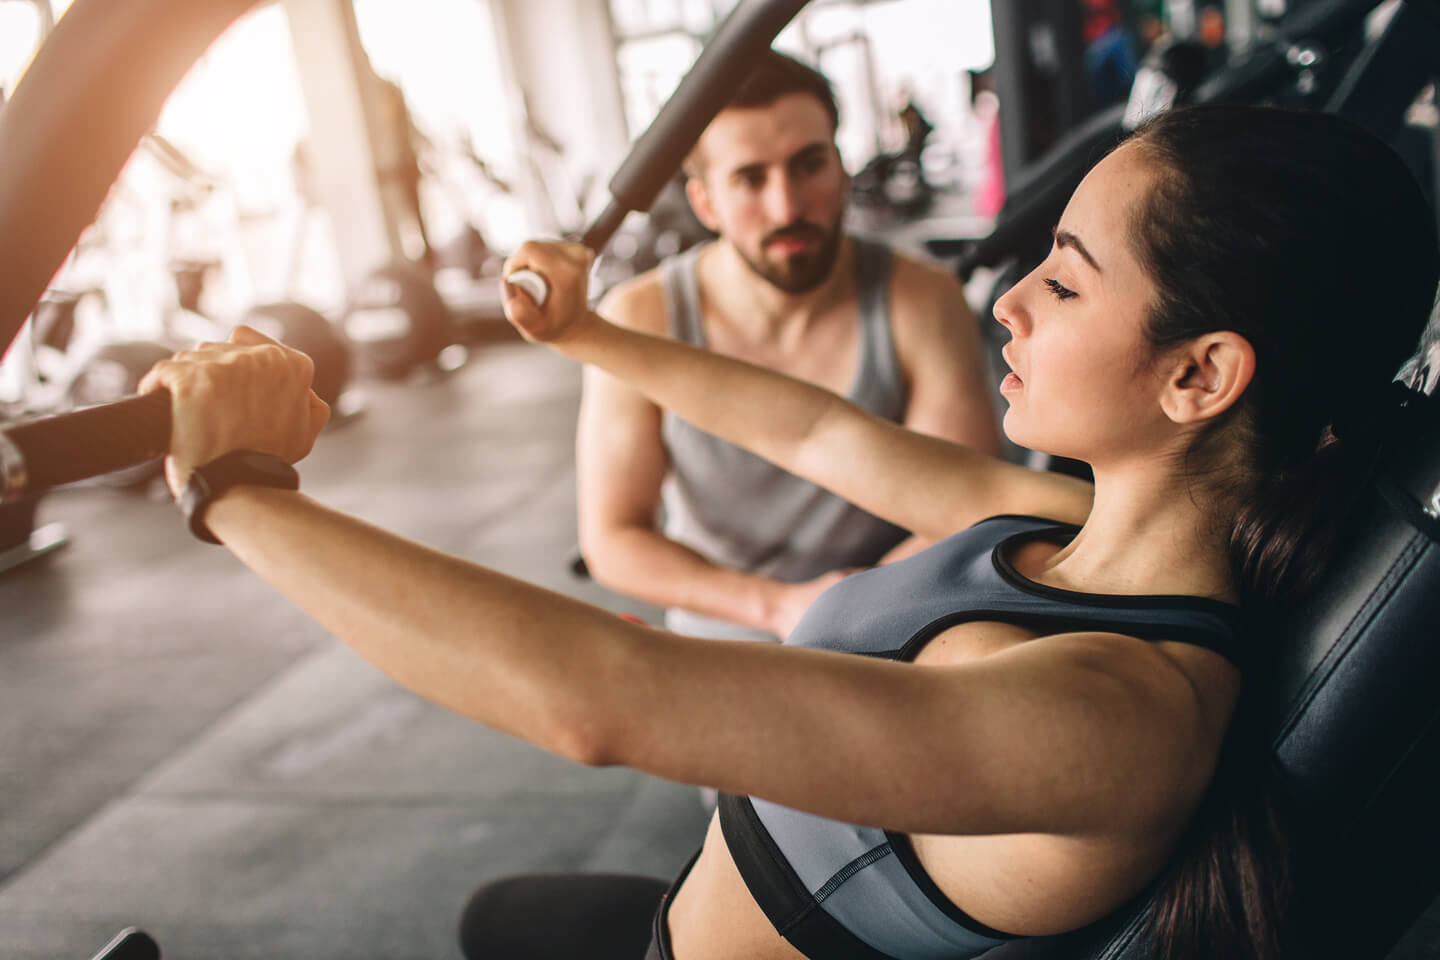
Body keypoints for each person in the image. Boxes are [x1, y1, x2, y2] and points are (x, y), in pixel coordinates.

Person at [140, 104, 1439, 960]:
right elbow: (831, 440)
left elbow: (604, 700)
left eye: (1064, 276)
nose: (1012, 307)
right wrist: (594, 335)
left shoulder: (1116, 715)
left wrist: (242, 493)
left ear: (1200, 376)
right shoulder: (1076, 527)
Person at [583, 51, 1002, 643]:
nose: (787, 206)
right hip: (726, 634)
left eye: (809, 166)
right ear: (705, 202)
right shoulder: (639, 318)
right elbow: (613, 538)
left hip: (895, 613)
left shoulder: (922, 297)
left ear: (841, 164)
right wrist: (776, 608)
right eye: (751, 179)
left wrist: (846, 609)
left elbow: (964, 506)